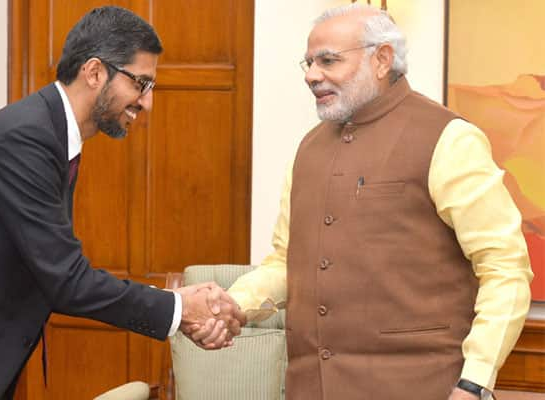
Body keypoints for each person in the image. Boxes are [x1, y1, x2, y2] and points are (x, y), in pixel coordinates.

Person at [0, 6, 244, 400]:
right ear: (94, 72)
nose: (146, 103)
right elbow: (66, 280)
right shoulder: (26, 137)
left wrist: (177, 306)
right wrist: (177, 309)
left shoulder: (50, 133)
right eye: (140, 83)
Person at [225, 4, 533, 400]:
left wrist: (474, 382)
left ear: (382, 59)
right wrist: (232, 305)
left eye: (328, 61)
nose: (311, 75)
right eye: (308, 62)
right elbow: (287, 263)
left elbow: (504, 267)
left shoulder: (449, 138)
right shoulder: (309, 148)